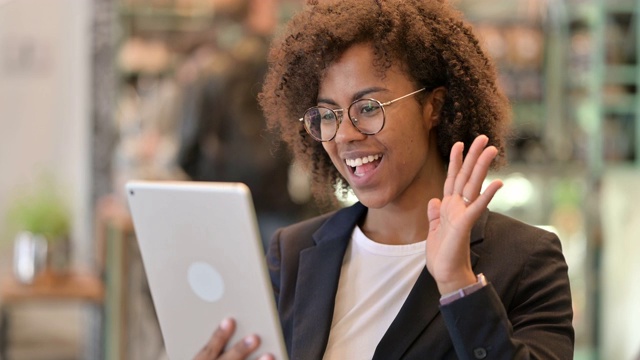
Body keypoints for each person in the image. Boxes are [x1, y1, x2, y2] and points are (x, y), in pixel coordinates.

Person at [195, 0, 574, 359]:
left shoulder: (525, 260)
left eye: (368, 108)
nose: (344, 134)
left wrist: (459, 284)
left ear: (433, 107)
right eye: (327, 115)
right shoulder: (293, 254)